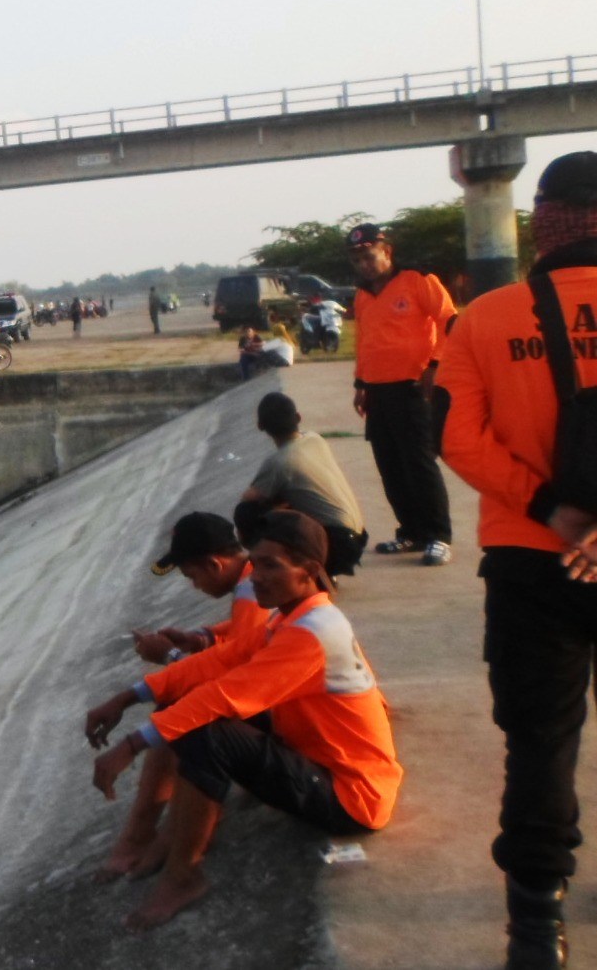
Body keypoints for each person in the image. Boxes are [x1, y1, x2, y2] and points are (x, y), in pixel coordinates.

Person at [87, 510, 402, 932]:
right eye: (257, 563)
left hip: (350, 796)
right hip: (318, 757)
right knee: (189, 716)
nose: (255, 576)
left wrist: (130, 745)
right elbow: (224, 658)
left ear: (308, 571)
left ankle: (183, 876)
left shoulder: (313, 631)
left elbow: (226, 693)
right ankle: (169, 837)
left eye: (271, 565)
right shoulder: (290, 617)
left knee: (206, 733)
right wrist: (128, 696)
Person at [435, 151, 597, 969]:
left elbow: (454, 436)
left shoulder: (485, 319)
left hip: (533, 561)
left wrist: (549, 509)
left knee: (539, 740)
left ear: (541, 219)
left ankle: (536, 928)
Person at [97, 514, 267, 882]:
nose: (193, 586)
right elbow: (246, 643)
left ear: (213, 564)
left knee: (184, 709)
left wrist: (169, 658)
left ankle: (145, 834)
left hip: (288, 721)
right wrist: (201, 638)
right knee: (182, 703)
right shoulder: (252, 582)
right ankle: (150, 831)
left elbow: (240, 680)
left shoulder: (254, 591)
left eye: (192, 577)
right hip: (273, 702)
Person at [348, 221, 458, 565]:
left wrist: (435, 364)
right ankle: (410, 532)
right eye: (358, 259)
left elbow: (449, 321)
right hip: (378, 392)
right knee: (390, 464)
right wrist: (361, 384)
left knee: (419, 463)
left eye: (370, 255)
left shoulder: (417, 280)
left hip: (412, 388)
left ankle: (438, 535)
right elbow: (365, 343)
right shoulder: (363, 295)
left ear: (386, 252)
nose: (365, 263)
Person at [235, 392, 368, 577]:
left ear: (260, 426)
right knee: (284, 501)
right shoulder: (315, 439)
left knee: (247, 513)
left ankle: (274, 566)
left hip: (338, 544)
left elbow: (247, 501)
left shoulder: (279, 462)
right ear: (298, 417)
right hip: (358, 538)